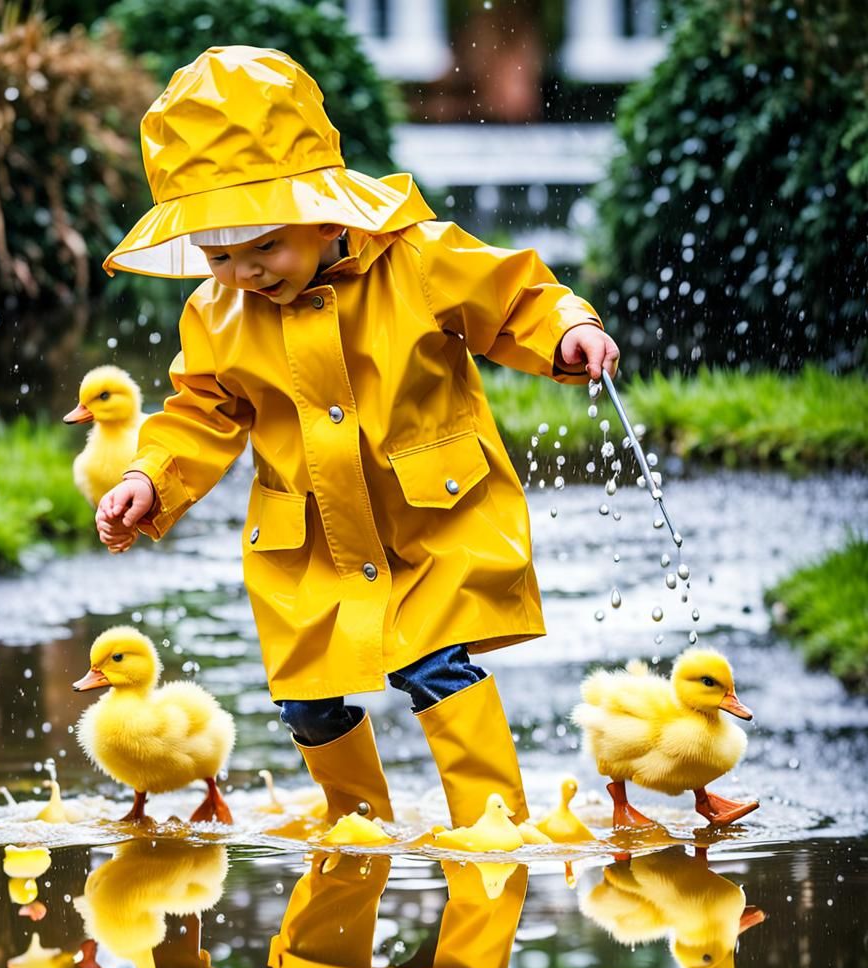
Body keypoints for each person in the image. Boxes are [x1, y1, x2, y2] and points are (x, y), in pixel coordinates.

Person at [95, 46, 619, 830]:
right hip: (310, 547)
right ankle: (357, 824)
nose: (243, 272)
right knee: (305, 702)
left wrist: (567, 331)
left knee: (433, 665)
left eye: (265, 245)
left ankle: (494, 823)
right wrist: (151, 475)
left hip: (430, 521)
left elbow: (514, 297)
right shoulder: (215, 313)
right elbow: (201, 409)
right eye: (218, 255)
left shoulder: (417, 259)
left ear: (325, 211)